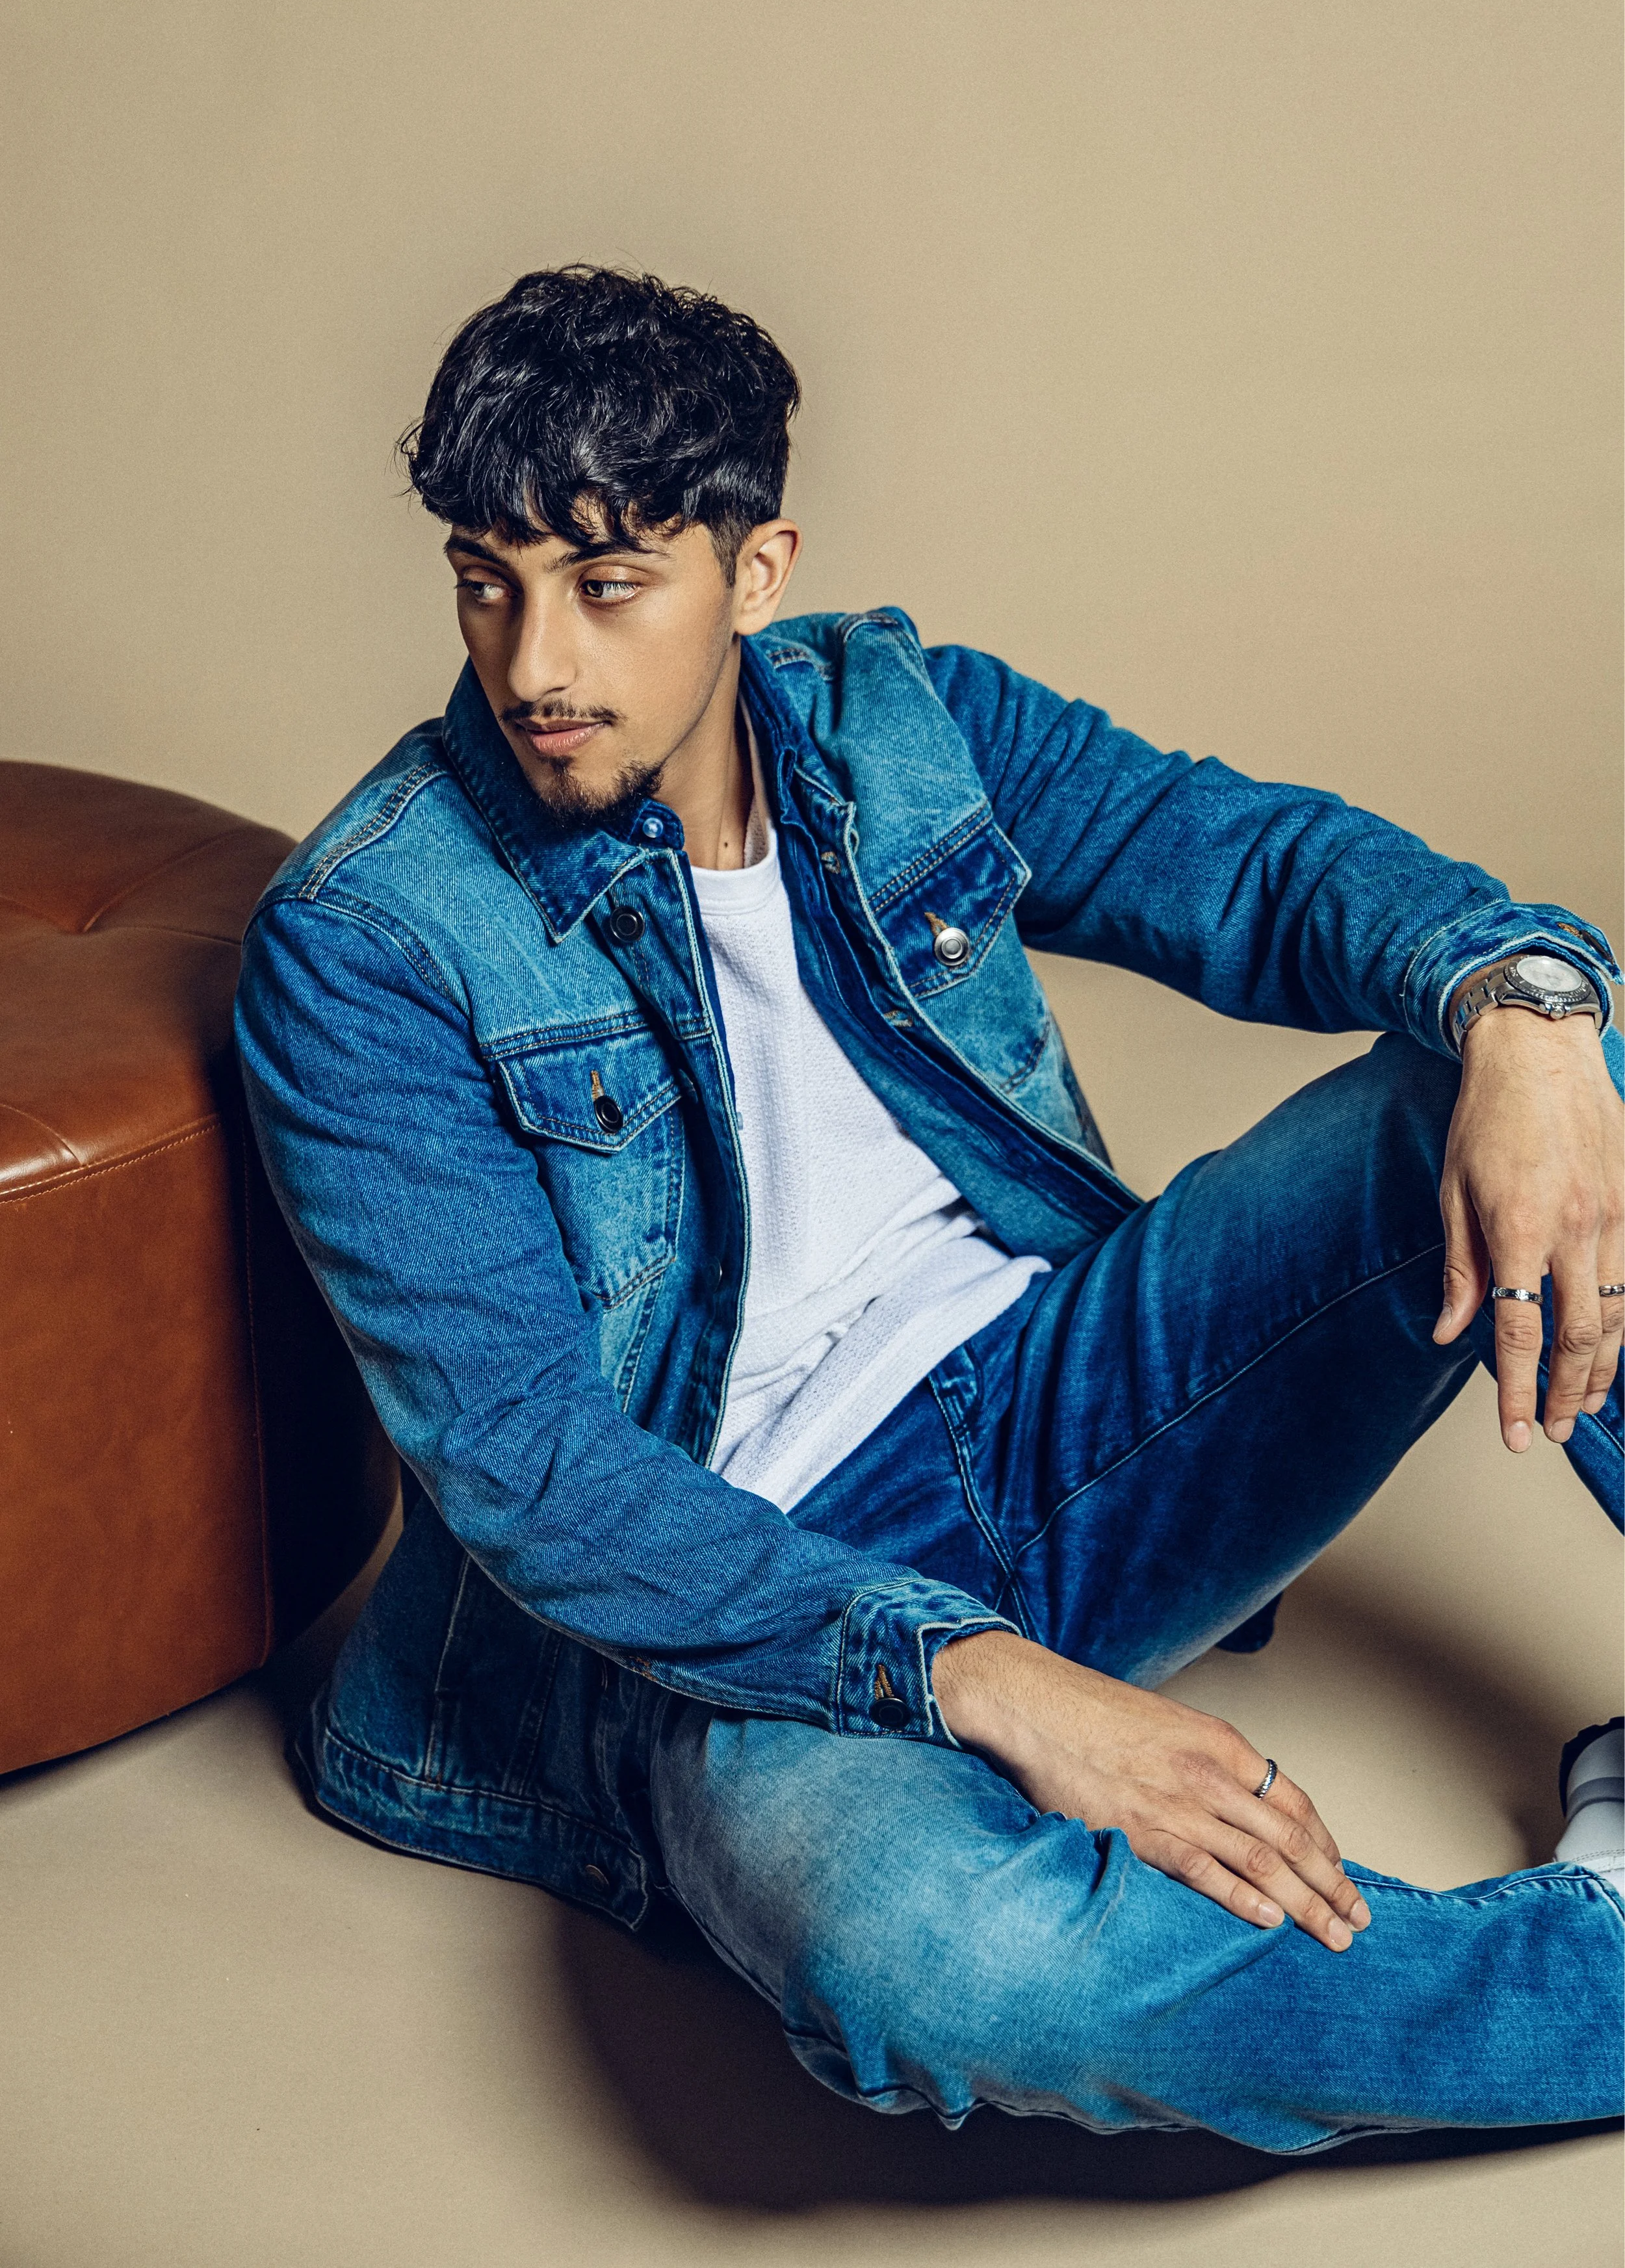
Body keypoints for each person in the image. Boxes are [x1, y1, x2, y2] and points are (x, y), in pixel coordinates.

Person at [236, 265, 1624, 2152]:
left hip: (1070, 1413)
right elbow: (531, 1467)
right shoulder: (366, 941)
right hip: (742, 1612)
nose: (534, 662)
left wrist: (1527, 1006)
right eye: (486, 578)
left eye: (606, 579)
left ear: (755, 564)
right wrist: (961, 1667)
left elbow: (1262, 868)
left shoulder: (908, 721)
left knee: (1536, 1071)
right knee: (930, 1963)